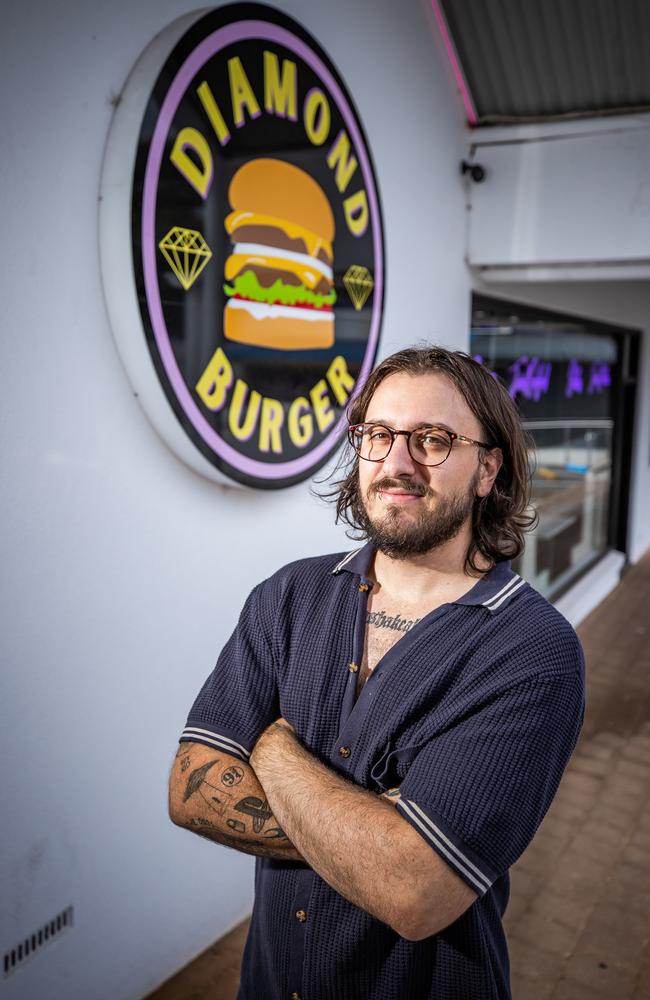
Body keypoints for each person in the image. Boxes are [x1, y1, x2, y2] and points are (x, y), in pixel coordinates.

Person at [169, 346, 585, 1000]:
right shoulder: (289, 597)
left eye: (433, 440)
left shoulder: (531, 650)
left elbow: (415, 891)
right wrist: (378, 840)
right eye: (377, 435)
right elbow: (191, 791)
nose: (397, 463)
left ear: (487, 470)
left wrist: (272, 752)